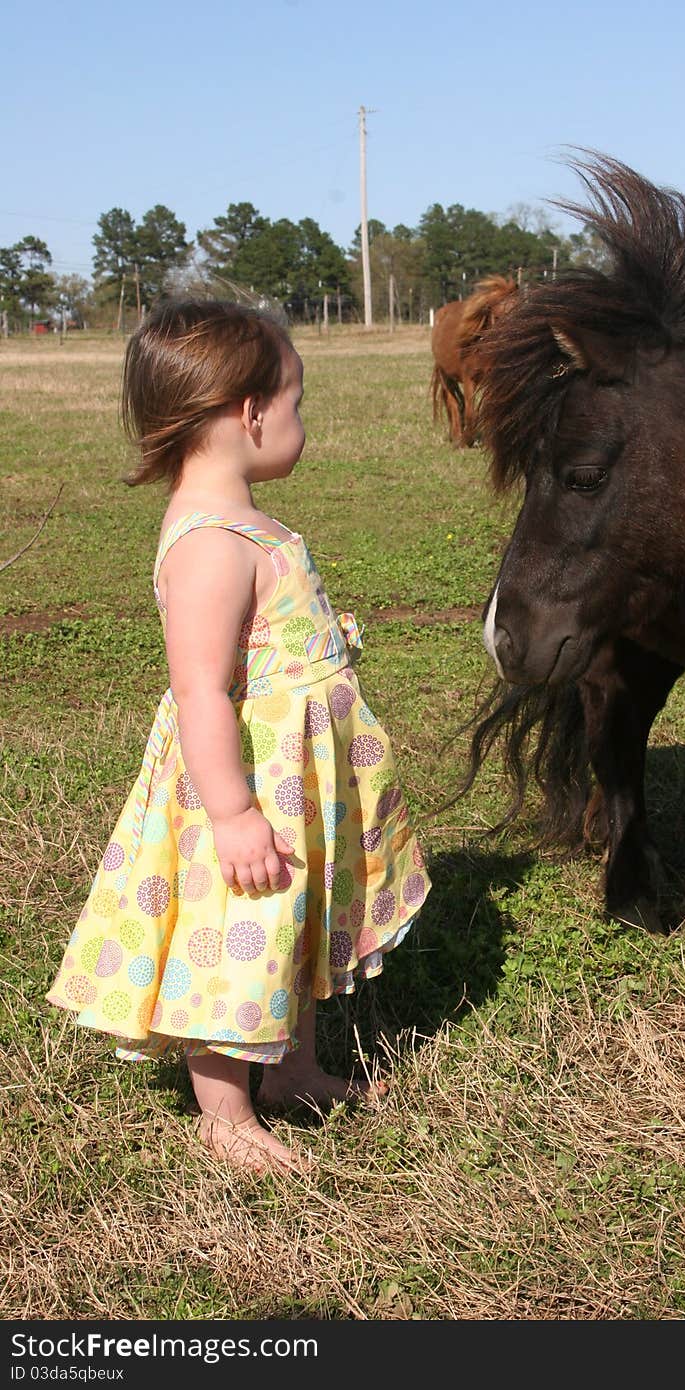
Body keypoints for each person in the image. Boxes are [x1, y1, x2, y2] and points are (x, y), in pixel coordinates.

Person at [47, 299, 431, 1175]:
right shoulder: (213, 544)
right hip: (251, 784)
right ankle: (222, 1114)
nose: (302, 420)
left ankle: (290, 1072)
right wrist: (231, 812)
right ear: (250, 413)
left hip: (295, 781)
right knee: (235, 936)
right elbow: (199, 688)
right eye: (297, 401)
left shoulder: (244, 522)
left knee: (289, 923)